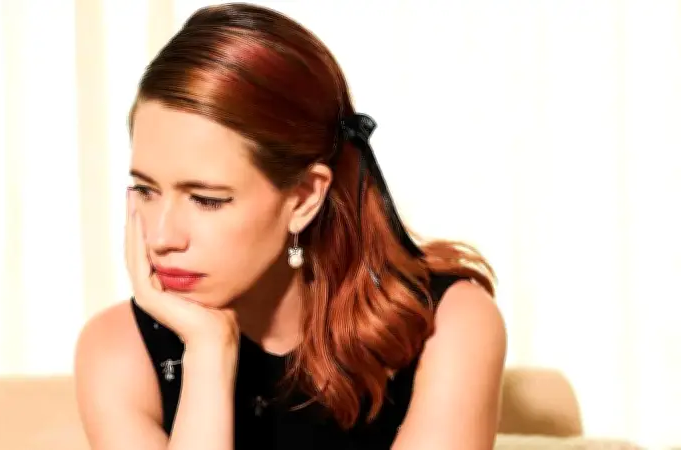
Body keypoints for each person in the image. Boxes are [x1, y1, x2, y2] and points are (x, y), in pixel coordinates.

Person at [74, 3, 506, 449]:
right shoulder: (118, 353)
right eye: (146, 190)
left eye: (207, 200)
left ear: (303, 198)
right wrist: (208, 354)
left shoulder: (449, 324)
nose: (162, 237)